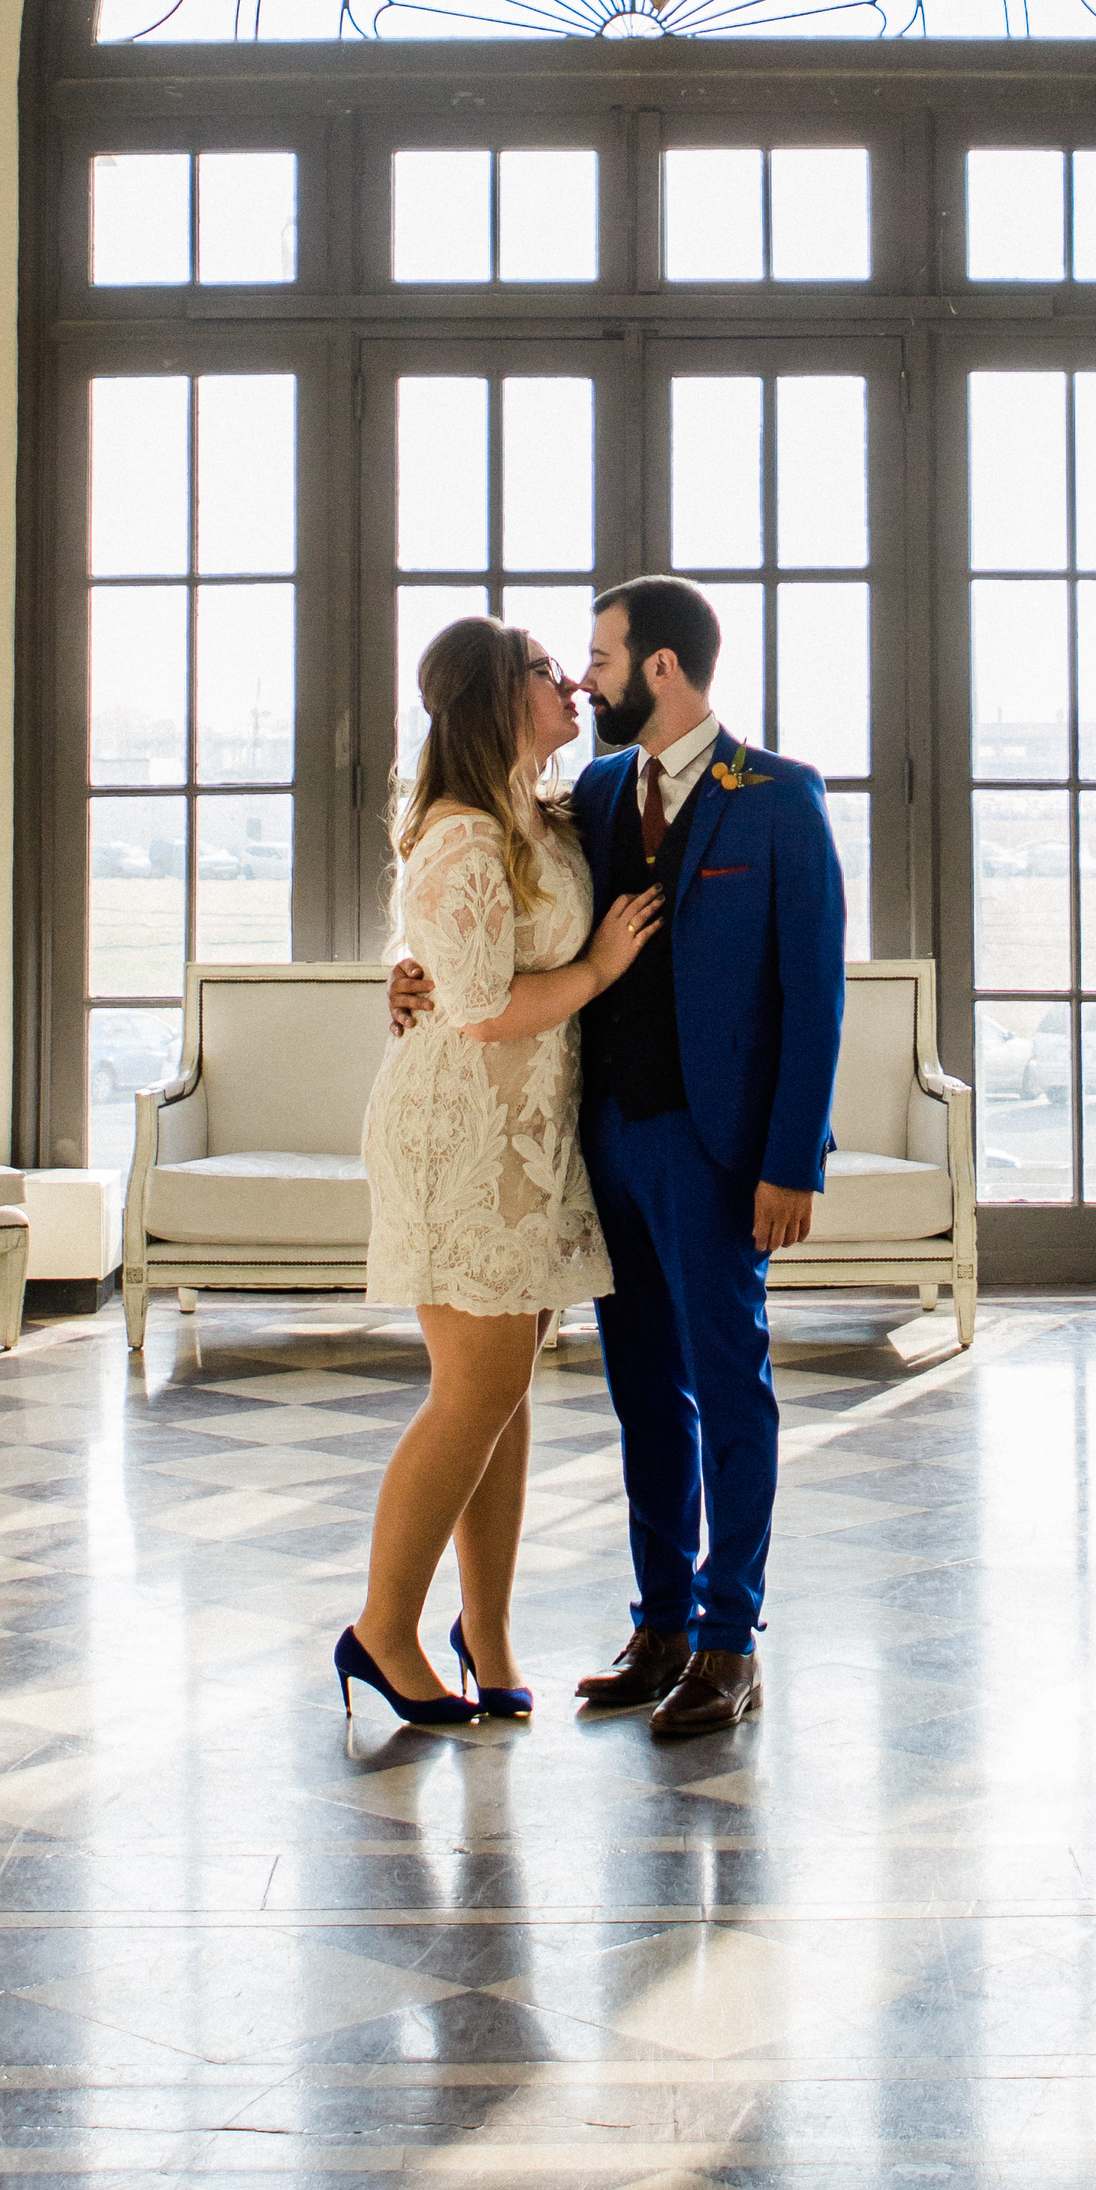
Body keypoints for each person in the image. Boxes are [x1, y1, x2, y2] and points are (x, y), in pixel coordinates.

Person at [394, 576, 847, 1740]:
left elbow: (816, 998)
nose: (581, 680)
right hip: (600, 1146)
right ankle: (656, 1624)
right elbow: (480, 905)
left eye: (597, 658)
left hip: (719, 1153)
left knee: (729, 1388)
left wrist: (790, 1162)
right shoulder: (586, 795)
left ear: (659, 668)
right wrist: (416, 977)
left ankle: (728, 1638)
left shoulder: (781, 800)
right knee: (643, 1391)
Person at [337, 614, 661, 1734]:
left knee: (504, 1398)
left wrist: (408, 966)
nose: (568, 680)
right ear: (493, 696)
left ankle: (488, 1628)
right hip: (459, 1138)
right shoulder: (466, 830)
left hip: (526, 1133)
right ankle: (383, 1630)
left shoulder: (538, 809)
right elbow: (477, 1008)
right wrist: (602, 965)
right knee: (472, 1392)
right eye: (541, 670)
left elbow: (450, 951)